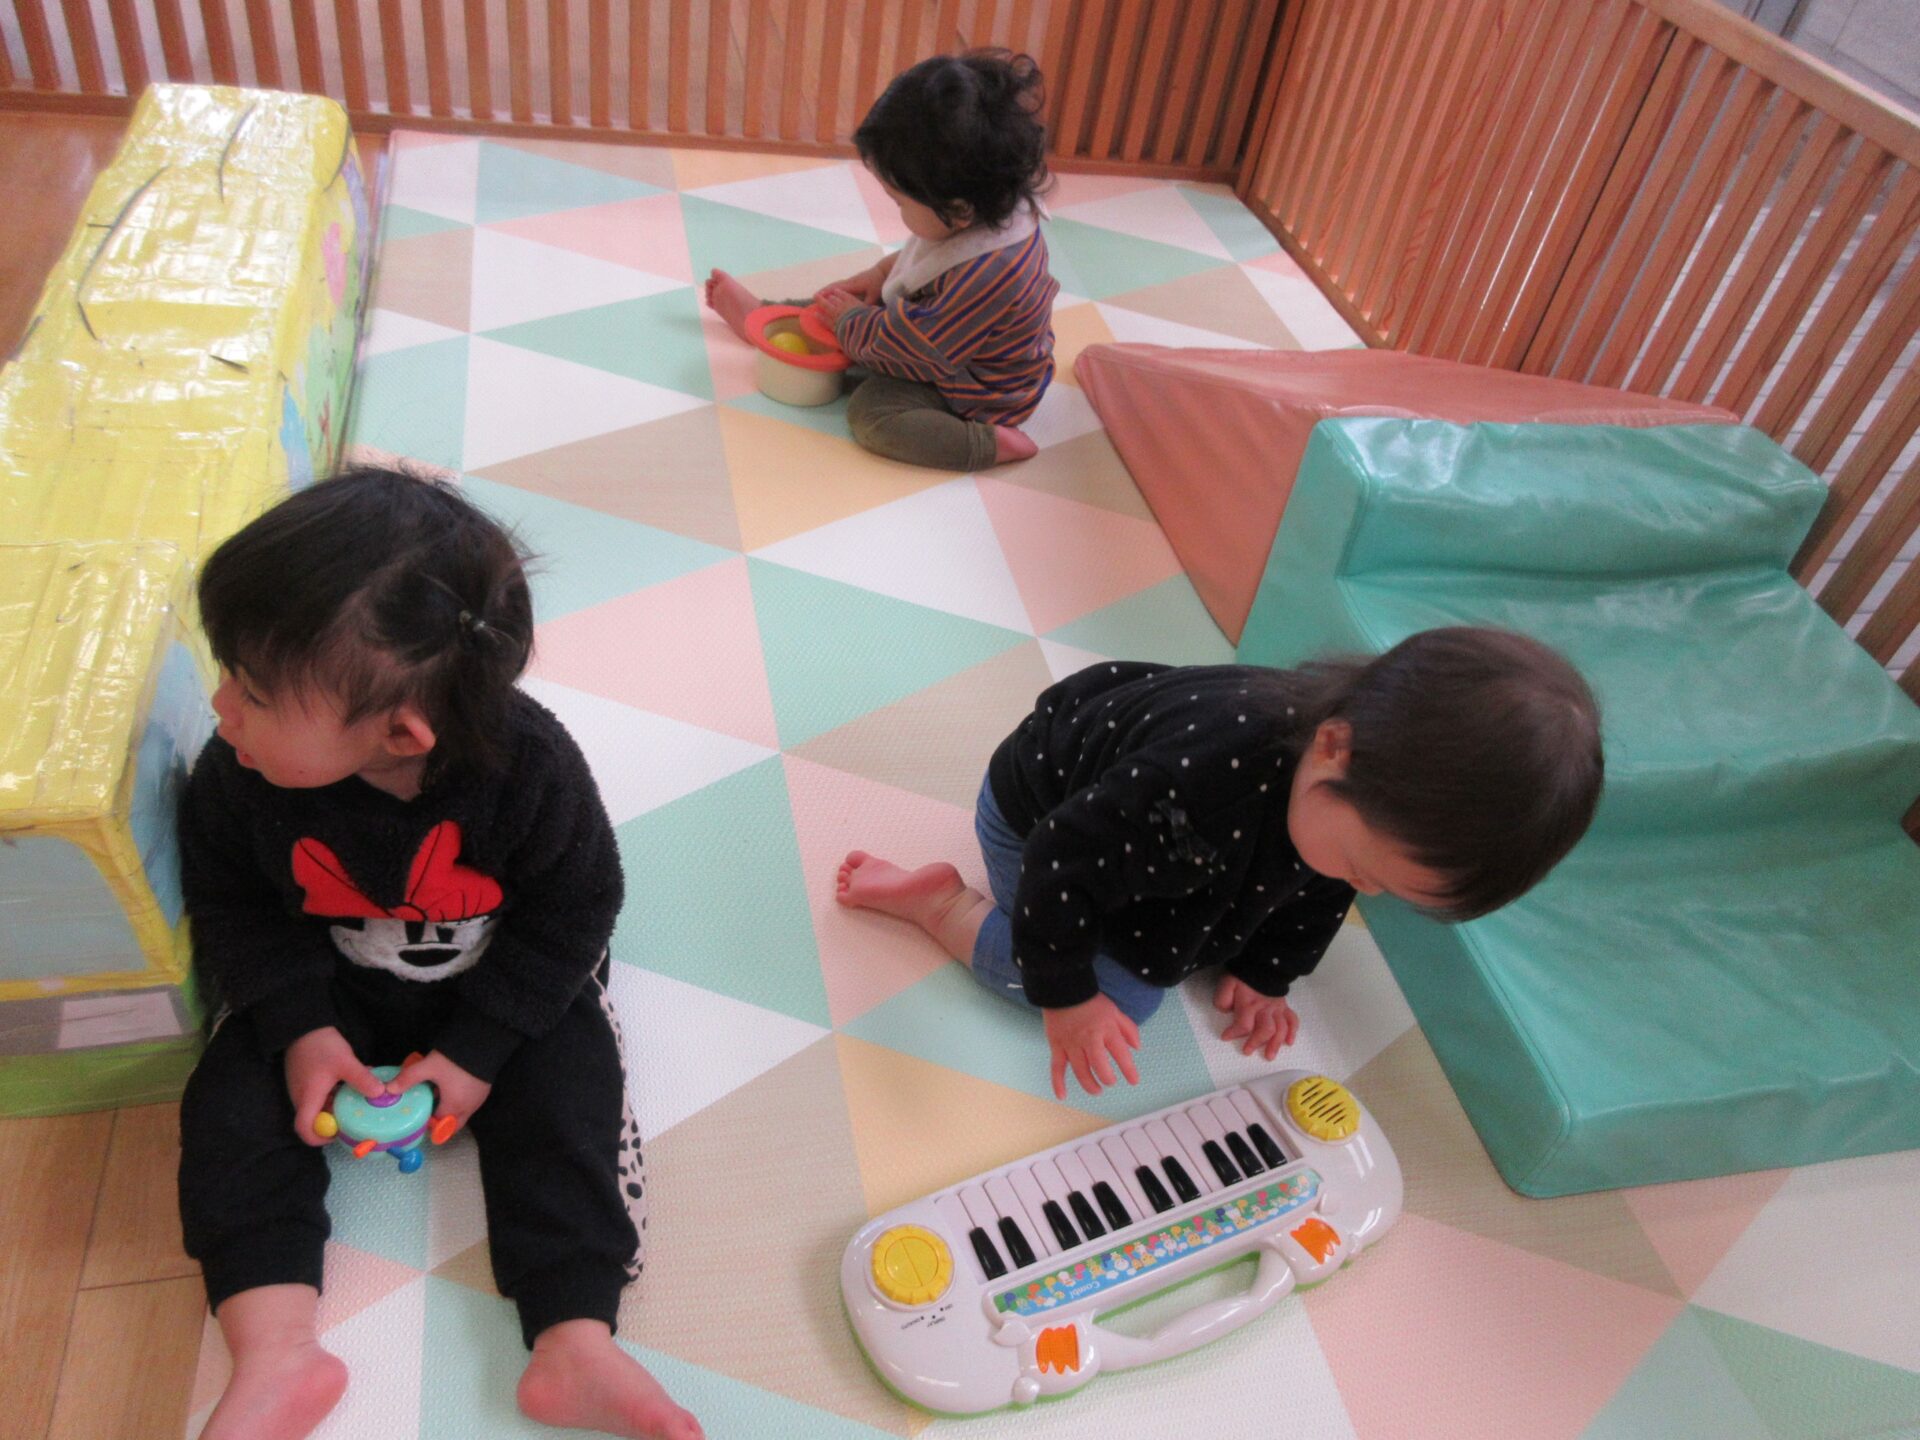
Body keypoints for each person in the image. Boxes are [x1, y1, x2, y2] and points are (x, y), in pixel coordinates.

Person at [174, 466, 702, 1440]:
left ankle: (574, 1340)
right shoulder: (236, 774)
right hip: (327, 982)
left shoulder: (531, 771)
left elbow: (579, 907)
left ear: (401, 732)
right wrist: (299, 1026)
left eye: (253, 691)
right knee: (228, 1106)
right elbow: (233, 905)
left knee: (574, 1097)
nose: (221, 707)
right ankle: (275, 1348)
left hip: (501, 981)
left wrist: (479, 1051)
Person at [837, 629, 1604, 1100]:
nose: (1360, 888)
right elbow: (1060, 862)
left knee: (1268, 891)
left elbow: (1320, 889)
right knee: (1123, 1000)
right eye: (1361, 866)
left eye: (1380, 887)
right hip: (1038, 822)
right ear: (1333, 747)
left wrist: (1269, 972)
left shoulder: (1338, 797)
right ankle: (943, 906)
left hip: (1147, 836)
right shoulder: (1198, 784)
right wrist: (1067, 1001)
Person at [705, 49, 1058, 471]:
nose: (897, 212)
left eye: (900, 202)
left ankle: (985, 444)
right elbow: (926, 263)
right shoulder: (979, 211)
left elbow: (922, 350)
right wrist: (878, 275)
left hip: (976, 388)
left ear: (959, 210)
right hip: (939, 336)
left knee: (872, 413)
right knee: (837, 304)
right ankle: (765, 316)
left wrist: (852, 323)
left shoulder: (991, 271)